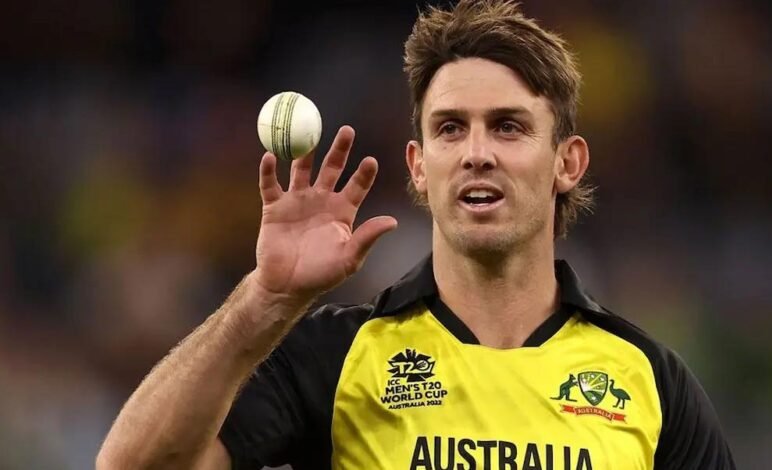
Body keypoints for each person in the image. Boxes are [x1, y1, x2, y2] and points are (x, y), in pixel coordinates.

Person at [96, 1, 736, 469]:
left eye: (508, 127)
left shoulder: (649, 379)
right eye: (450, 128)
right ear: (420, 166)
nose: (477, 153)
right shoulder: (337, 357)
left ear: (567, 163)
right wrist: (264, 300)